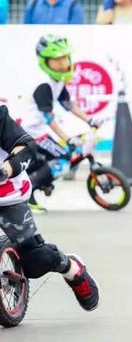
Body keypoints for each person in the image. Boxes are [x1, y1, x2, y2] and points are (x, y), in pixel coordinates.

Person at [0, 105, 99, 312]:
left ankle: (71, 268)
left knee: (37, 260)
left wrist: (6, 169)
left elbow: (26, 147)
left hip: (7, 196)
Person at [19, 35, 102, 212]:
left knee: (54, 157)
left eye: (65, 57)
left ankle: (40, 182)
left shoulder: (57, 79)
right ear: (45, 62)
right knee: (63, 159)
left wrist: (89, 119)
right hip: (30, 132)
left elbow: (67, 104)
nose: (64, 63)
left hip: (38, 130)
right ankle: (27, 193)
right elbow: (49, 119)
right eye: (57, 60)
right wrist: (67, 138)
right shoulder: (44, 85)